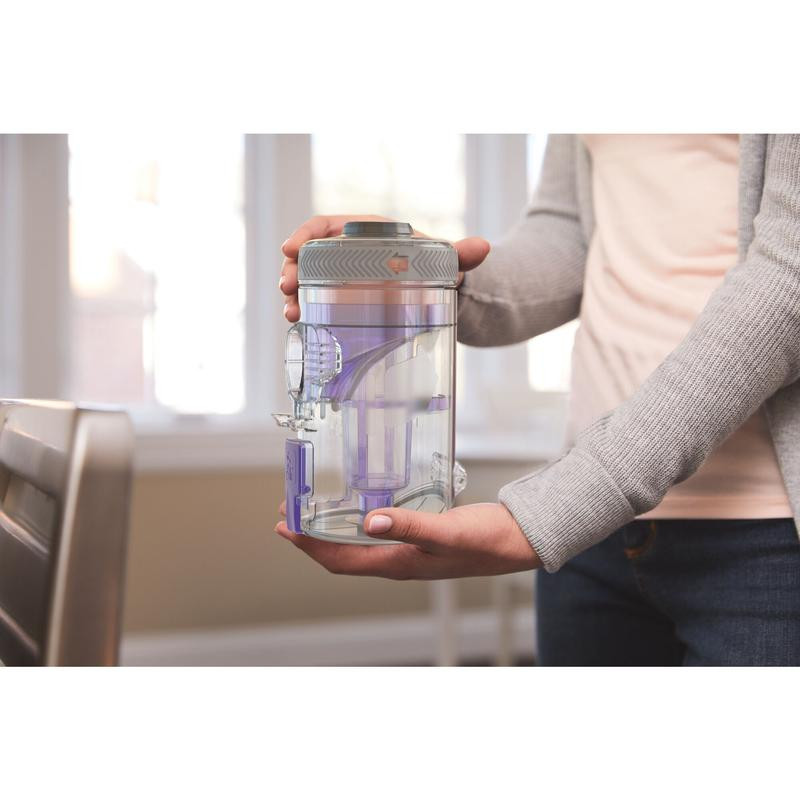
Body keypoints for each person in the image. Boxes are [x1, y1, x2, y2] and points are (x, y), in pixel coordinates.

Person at [275, 135, 800, 666]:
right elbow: (567, 233)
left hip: (766, 532)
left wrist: (562, 505)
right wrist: (428, 272)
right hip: (592, 532)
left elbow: (789, 274)